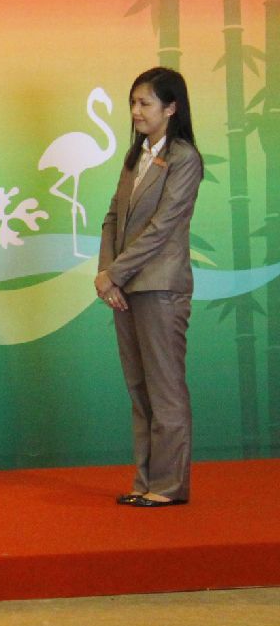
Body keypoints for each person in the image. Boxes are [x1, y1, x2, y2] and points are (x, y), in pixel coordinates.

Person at [94, 67, 203, 508]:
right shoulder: (135, 156)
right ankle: (145, 482)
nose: (136, 111)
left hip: (160, 287)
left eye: (145, 103)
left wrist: (115, 274)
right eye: (133, 103)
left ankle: (169, 486)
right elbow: (112, 219)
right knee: (139, 390)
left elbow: (162, 227)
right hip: (126, 287)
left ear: (171, 108)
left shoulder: (183, 158)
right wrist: (107, 274)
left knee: (165, 388)